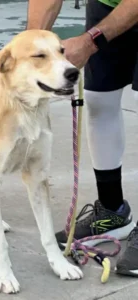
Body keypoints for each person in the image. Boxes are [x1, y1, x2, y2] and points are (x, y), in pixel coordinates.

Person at [27, 0, 138, 276]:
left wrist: (91, 41)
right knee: (99, 100)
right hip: (109, 3)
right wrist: (30, 49)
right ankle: (112, 211)